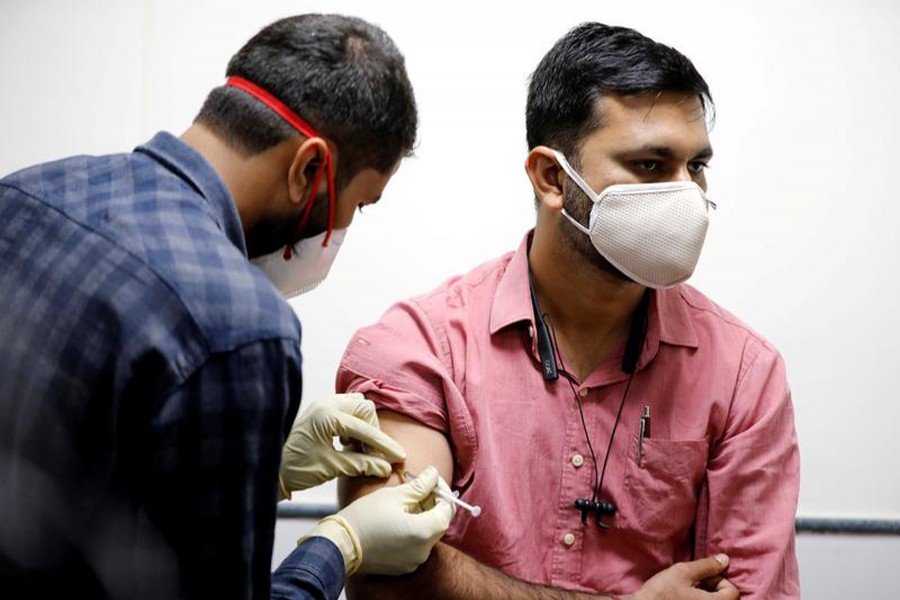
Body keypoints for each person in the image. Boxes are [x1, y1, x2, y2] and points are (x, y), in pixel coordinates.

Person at [337, 22, 800, 600]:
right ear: (552, 177)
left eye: (696, 166)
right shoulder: (422, 348)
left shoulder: (743, 374)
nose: (688, 197)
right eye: (651, 166)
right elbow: (391, 579)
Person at [0, 13, 453, 600]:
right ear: (310, 168)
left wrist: (270, 473)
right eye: (359, 204)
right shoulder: (242, 327)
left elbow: (87, 485)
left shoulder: (23, 194)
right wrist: (339, 544)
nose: (344, 228)